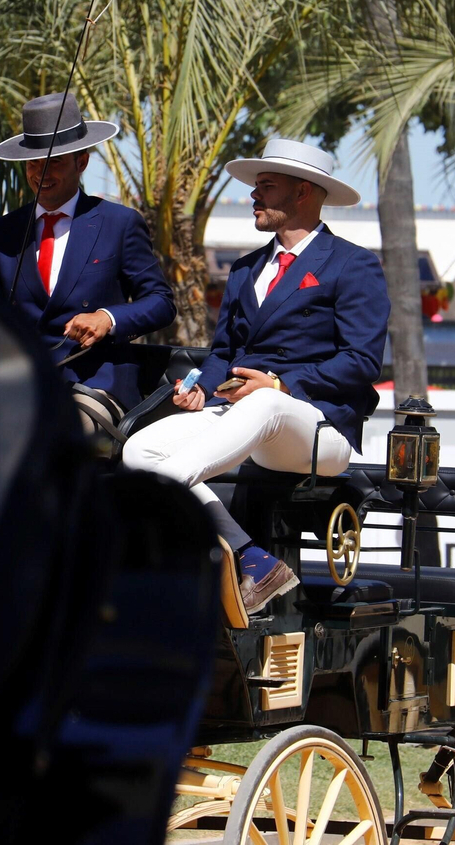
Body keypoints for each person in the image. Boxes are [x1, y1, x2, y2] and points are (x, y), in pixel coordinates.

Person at [122, 138, 388, 614]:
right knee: (138, 449)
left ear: (304, 192)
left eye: (266, 186)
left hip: (319, 429)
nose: (253, 196)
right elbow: (223, 352)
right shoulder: (245, 270)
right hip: (243, 414)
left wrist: (283, 386)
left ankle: (140, 521)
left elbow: (363, 362)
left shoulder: (354, 264)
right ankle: (251, 558)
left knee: (265, 403)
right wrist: (202, 386)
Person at [0, 93, 175, 432]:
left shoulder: (119, 223)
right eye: (33, 163)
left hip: (95, 386)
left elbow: (161, 302)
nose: (41, 174)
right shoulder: (3, 233)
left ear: (81, 162)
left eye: (53, 162)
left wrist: (107, 318)